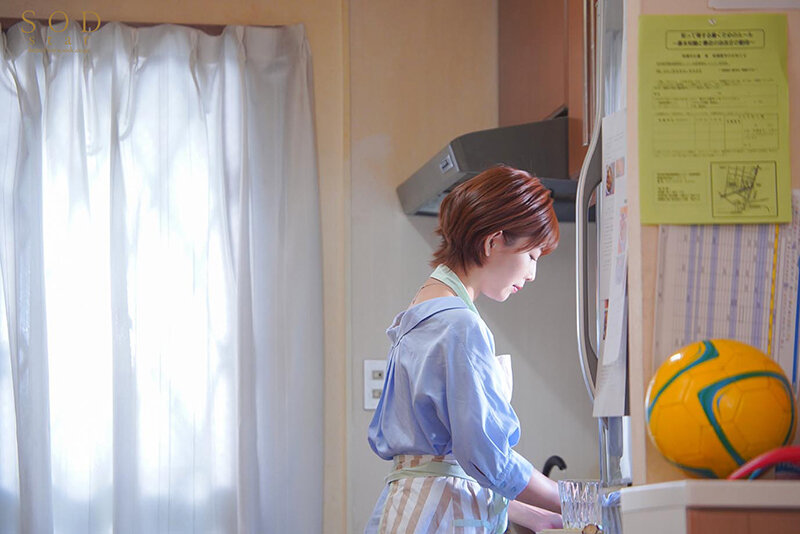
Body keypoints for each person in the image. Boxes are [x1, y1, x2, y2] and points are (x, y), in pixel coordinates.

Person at [365, 165, 564, 533]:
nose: (532, 273)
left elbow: (448, 465)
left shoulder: (425, 308)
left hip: (411, 511)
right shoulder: (460, 325)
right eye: (533, 256)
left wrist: (537, 517)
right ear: (493, 242)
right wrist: (574, 498)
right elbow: (487, 459)